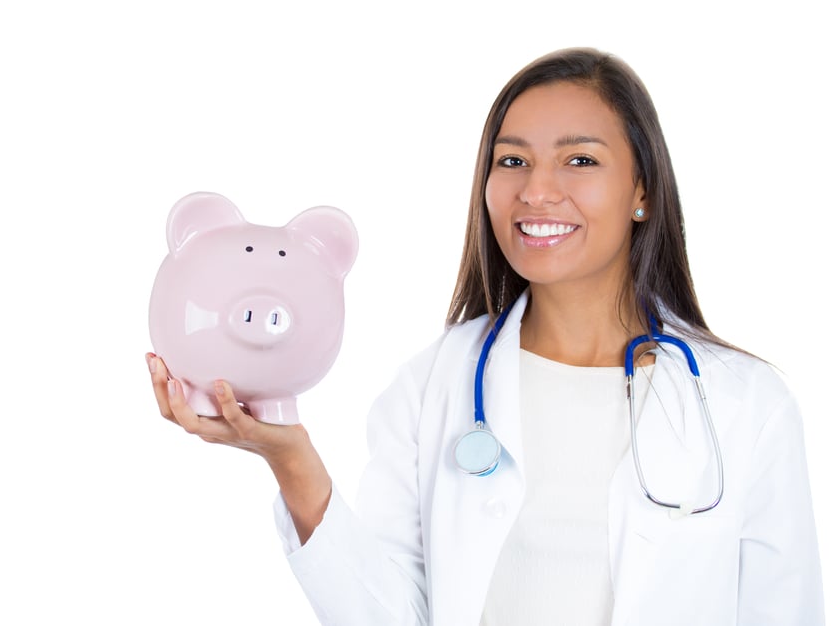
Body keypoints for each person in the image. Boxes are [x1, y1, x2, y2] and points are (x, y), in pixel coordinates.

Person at [146, 48, 825, 625]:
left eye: (580, 161)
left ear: (642, 188)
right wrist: (292, 462)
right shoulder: (433, 385)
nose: (538, 192)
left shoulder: (747, 406)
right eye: (512, 161)